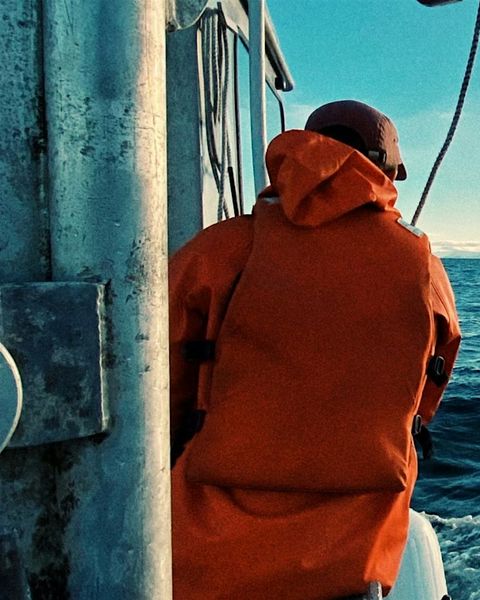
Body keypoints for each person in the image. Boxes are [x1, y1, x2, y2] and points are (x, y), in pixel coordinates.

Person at [167, 100, 461, 599]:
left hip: (203, 557)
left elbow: (153, 378)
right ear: (384, 169)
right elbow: (425, 395)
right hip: (353, 564)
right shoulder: (422, 268)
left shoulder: (217, 249)